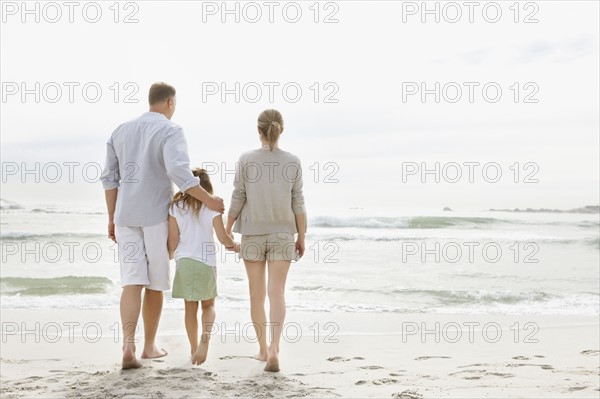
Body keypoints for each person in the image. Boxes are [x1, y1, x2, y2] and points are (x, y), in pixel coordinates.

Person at [100, 82, 225, 370]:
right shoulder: (171, 130)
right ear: (170, 102)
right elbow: (178, 170)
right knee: (154, 285)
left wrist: (110, 217)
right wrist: (208, 200)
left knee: (132, 281)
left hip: (125, 216)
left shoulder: (120, 131)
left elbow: (109, 178)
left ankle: (128, 345)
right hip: (156, 215)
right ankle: (149, 347)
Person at [226, 109, 307, 372]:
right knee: (277, 293)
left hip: (252, 234)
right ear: (281, 130)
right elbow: (298, 203)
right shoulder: (293, 161)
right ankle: (275, 348)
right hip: (284, 234)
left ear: (258, 130)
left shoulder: (246, 159)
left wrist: (228, 227)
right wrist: (302, 236)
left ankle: (262, 349)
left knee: (256, 295)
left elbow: (238, 196)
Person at [167, 168, 239, 365]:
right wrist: (235, 246)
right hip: (206, 262)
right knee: (208, 305)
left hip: (184, 262)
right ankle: (205, 339)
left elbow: (173, 241)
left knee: (190, 308)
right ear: (207, 188)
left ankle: (193, 350)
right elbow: (222, 237)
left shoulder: (176, 206)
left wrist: (168, 257)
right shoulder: (212, 206)